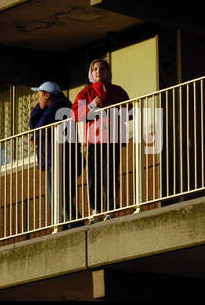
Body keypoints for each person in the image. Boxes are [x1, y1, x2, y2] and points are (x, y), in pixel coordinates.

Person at [73, 58, 130, 218]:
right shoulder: (85, 92)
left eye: (102, 68)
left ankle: (111, 207)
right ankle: (96, 209)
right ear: (91, 74)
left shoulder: (117, 90)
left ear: (108, 72)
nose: (98, 71)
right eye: (95, 69)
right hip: (93, 141)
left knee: (111, 174)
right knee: (94, 175)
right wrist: (91, 106)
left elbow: (130, 111)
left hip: (112, 139)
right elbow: (75, 115)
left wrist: (115, 110)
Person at [28, 81, 75, 225]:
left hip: (60, 159)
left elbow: (37, 126)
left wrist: (34, 136)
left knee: (58, 197)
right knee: (57, 198)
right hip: (53, 159)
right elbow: (36, 125)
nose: (38, 101)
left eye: (39, 96)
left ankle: (71, 225)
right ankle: (68, 224)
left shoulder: (58, 106)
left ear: (47, 95)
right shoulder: (56, 105)